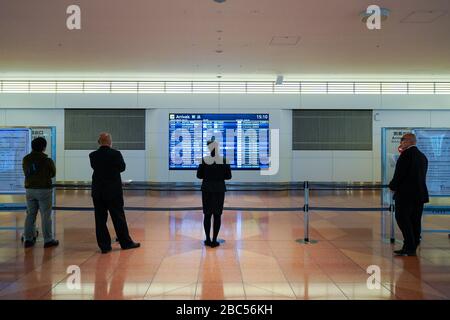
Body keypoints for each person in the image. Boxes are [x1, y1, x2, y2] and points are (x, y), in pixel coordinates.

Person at [89, 132, 140, 254]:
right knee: (118, 217)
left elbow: (95, 168)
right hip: (113, 192)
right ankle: (126, 243)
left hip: (98, 192)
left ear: (98, 142)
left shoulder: (93, 155)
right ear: (110, 142)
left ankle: (104, 246)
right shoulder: (116, 154)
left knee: (100, 219)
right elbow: (122, 167)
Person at [389, 133, 428, 256]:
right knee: (415, 220)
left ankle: (409, 245)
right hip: (420, 195)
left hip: (406, 195)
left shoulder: (406, 155)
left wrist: (392, 186)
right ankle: (412, 245)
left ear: (408, 141)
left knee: (402, 218)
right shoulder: (422, 156)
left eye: (402, 141)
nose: (401, 144)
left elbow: (399, 175)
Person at [22, 137, 58, 248]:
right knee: (45, 215)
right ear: (43, 147)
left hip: (30, 190)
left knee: (30, 215)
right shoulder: (47, 160)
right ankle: (48, 240)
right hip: (44, 190)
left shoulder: (26, 159)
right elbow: (53, 173)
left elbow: (25, 172)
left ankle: (28, 239)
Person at [196, 138, 232, 248]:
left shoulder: (204, 160)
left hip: (206, 189)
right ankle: (215, 240)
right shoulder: (224, 160)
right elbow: (228, 176)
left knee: (207, 215)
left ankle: (207, 239)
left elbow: (199, 176)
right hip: (219, 190)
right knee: (217, 215)